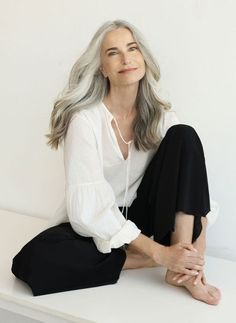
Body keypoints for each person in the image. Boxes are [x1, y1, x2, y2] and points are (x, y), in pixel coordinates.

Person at [11, 19, 221, 305]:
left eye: (132, 48)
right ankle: (151, 259)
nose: (126, 59)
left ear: (143, 58)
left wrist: (199, 245)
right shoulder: (85, 120)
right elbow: (89, 211)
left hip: (150, 219)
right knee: (33, 260)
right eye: (113, 52)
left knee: (184, 136)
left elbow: (190, 183)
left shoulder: (161, 116)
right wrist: (158, 254)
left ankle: (181, 269)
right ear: (102, 68)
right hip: (101, 224)